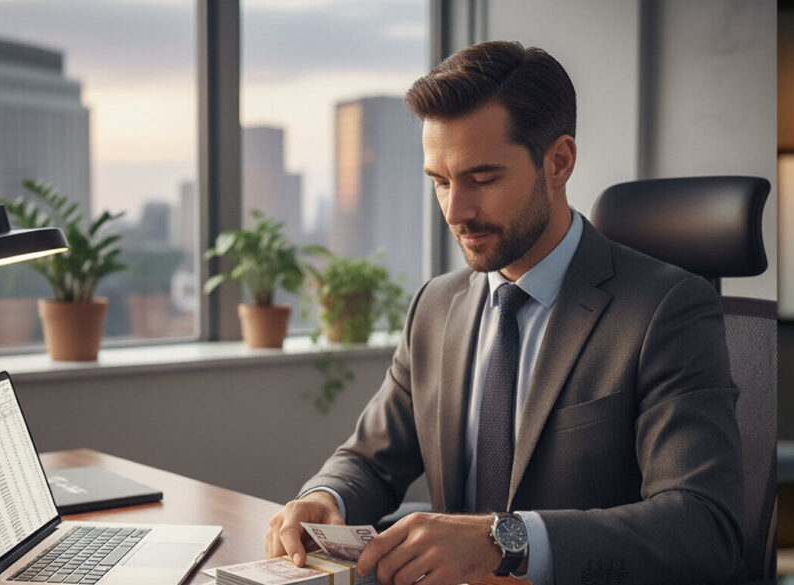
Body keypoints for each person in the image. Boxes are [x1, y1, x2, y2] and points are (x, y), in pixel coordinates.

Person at [265, 40, 744, 585]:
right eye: (440, 182)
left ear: (558, 162)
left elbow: (705, 527)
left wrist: (502, 541)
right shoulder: (435, 307)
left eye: (482, 179)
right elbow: (372, 459)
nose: (456, 211)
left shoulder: (665, 310)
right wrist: (323, 497)